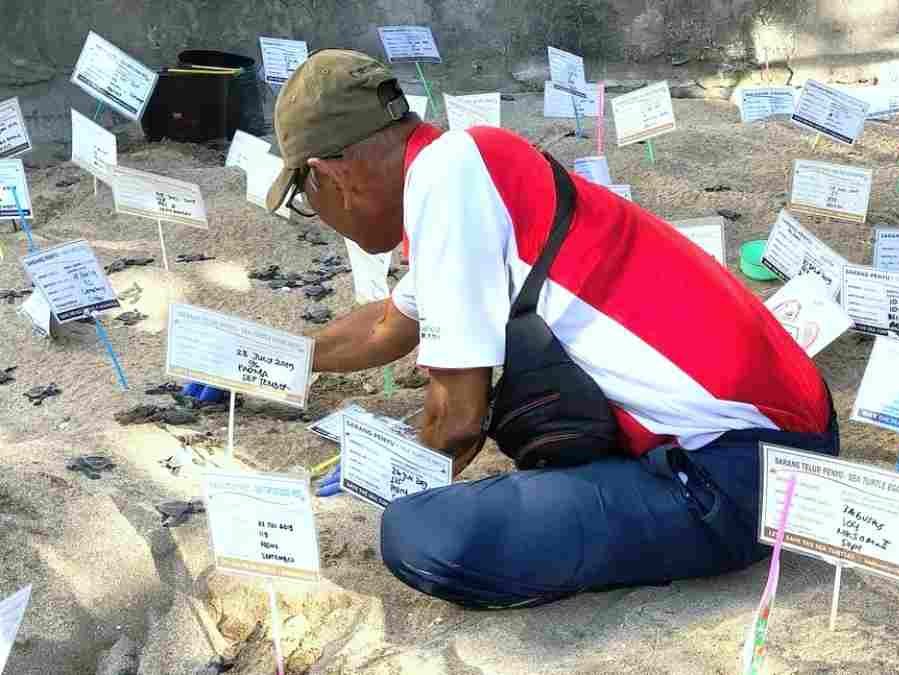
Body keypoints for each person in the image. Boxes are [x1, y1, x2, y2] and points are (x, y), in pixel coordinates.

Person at [265, 49, 838, 609]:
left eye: (307, 200)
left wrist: (388, 474)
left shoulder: (444, 181)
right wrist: (277, 357)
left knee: (424, 534)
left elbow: (457, 424)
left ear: (328, 173)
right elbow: (389, 324)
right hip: (790, 425)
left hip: (744, 473)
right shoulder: (471, 163)